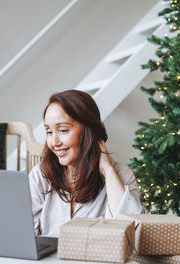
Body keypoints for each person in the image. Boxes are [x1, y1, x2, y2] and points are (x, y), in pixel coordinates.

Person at [28, 89, 144, 236]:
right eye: (49, 132)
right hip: (48, 260)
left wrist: (107, 170)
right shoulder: (41, 174)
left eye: (63, 130)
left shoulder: (121, 174)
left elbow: (132, 232)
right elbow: (23, 233)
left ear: (88, 132)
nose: (54, 142)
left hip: (96, 259)